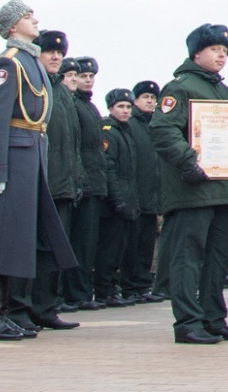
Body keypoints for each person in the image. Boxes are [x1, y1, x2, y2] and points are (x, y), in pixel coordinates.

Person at [0, 1, 80, 343]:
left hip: (29, 152)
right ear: (13, 27)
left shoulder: (30, 60)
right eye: (28, 17)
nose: (35, 20)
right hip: (10, 156)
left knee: (15, 240)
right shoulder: (8, 63)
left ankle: (8, 312)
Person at [150, 22, 228, 345]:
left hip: (220, 188)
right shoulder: (180, 87)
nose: (222, 56)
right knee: (187, 258)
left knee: (218, 258)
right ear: (196, 53)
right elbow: (163, 130)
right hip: (191, 190)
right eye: (215, 50)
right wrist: (188, 161)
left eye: (225, 51)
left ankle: (213, 318)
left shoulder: (223, 91)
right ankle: (188, 322)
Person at [30, 29, 80, 328]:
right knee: (33, 251)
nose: (56, 57)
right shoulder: (35, 85)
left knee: (52, 253)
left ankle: (46, 308)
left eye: (59, 53)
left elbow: (70, 143)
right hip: (39, 183)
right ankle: (25, 309)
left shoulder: (60, 90)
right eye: (49, 51)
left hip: (61, 185)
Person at [61, 56, 109, 312]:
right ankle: (73, 293)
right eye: (82, 76)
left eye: (91, 76)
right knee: (77, 242)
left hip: (93, 181)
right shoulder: (74, 105)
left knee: (88, 243)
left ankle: (80, 291)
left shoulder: (90, 107)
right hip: (81, 181)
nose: (87, 80)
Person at [122, 80, 165, 303]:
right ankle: (129, 286)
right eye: (145, 97)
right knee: (132, 244)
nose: (150, 101)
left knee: (147, 245)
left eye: (153, 97)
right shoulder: (130, 124)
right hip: (135, 195)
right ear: (136, 100)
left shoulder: (157, 124)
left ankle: (142, 285)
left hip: (152, 196)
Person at [96, 89, 140, 307]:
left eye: (128, 107)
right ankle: (105, 290)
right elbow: (109, 169)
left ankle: (113, 288)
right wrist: (118, 199)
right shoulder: (109, 132)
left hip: (127, 199)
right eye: (121, 107)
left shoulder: (126, 132)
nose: (125, 111)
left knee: (120, 249)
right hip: (114, 203)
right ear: (111, 109)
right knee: (109, 250)